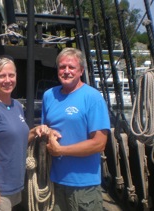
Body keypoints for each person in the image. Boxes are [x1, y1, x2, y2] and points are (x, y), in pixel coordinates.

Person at [0, 55, 49, 210]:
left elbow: (16, 139)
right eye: (1, 76)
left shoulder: (16, 106)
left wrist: (35, 131)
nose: (7, 80)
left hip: (14, 186)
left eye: (11, 75)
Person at [42, 47, 110, 210]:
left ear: (81, 71)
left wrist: (62, 150)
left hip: (84, 186)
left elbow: (99, 144)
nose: (66, 71)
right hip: (56, 181)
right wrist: (47, 132)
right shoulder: (49, 96)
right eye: (62, 67)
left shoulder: (92, 97)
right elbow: (46, 128)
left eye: (71, 67)